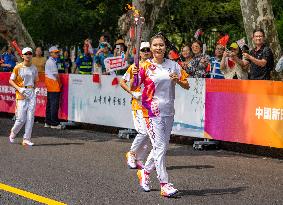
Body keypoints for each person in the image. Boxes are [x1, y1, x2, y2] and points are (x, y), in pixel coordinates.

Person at [130, 34, 189, 197]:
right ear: (151, 48)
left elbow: (187, 85)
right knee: (160, 147)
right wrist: (135, 75)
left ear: (165, 47)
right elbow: (133, 86)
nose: (158, 48)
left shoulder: (173, 65)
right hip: (150, 112)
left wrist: (178, 80)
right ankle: (164, 183)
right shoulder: (145, 66)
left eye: (161, 45)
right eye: (155, 45)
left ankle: (145, 172)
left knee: (160, 147)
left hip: (168, 111)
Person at [120, 42, 152, 169]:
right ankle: (131, 154)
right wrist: (132, 92)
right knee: (143, 132)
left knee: (149, 134)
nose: (145, 51)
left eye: (147, 49)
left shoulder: (153, 66)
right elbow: (122, 82)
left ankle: (139, 159)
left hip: (150, 105)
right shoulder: (134, 67)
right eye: (143, 50)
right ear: (139, 52)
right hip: (138, 104)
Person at [8, 47, 39, 146]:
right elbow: (10, 80)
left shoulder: (34, 68)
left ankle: (26, 138)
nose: (28, 55)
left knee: (30, 118)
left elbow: (36, 81)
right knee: (21, 119)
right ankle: (13, 132)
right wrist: (19, 88)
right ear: (22, 56)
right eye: (26, 54)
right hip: (21, 92)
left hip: (31, 93)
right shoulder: (18, 67)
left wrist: (36, 89)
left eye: (30, 53)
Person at [44, 46, 62, 129]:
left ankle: (48, 122)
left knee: (50, 104)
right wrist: (60, 83)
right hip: (54, 84)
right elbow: (56, 75)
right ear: (51, 53)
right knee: (54, 105)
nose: (57, 54)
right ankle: (54, 123)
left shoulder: (49, 61)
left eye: (57, 52)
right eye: (55, 53)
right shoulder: (52, 62)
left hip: (50, 84)